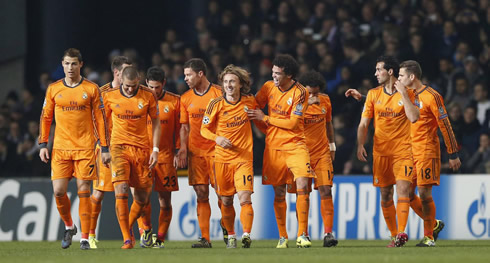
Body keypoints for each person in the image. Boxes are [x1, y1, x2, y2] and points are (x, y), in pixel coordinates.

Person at [38, 48, 110, 250]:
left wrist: (104, 147)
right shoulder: (53, 89)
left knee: (83, 190)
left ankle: (85, 238)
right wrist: (43, 143)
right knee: (59, 192)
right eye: (67, 63)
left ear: (81, 65)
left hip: (86, 148)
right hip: (61, 149)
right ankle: (70, 226)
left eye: (74, 64)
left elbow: (100, 120)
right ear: (62, 65)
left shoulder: (92, 89)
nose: (70, 67)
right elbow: (46, 117)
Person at [247, 54, 314, 248]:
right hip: (274, 148)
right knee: (279, 193)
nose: (274, 76)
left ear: (289, 75)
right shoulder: (268, 87)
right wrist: (267, 131)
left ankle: (302, 234)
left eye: (278, 73)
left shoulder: (301, 92)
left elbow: (293, 123)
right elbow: (254, 108)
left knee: (303, 185)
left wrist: (266, 120)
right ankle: (283, 237)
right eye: (273, 72)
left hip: (296, 145)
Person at [355, 55, 419, 247]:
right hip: (381, 152)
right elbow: (364, 123)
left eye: (378, 70)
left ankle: (401, 233)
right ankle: (394, 235)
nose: (375, 74)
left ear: (390, 72)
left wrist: (405, 96)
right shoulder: (373, 94)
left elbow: (414, 117)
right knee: (385, 194)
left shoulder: (407, 92)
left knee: (403, 190)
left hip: (403, 151)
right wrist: (360, 144)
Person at [397, 60, 461, 246]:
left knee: (424, 194)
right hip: (410, 152)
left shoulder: (432, 96)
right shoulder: (407, 94)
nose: (398, 79)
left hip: (426, 151)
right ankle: (434, 224)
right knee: (406, 193)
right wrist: (362, 97)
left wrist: (453, 153)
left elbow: (445, 124)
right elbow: (385, 103)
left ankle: (429, 237)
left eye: (401, 76)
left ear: (412, 76)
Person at [101, 66, 161, 249]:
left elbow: (156, 122)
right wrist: (104, 148)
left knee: (142, 198)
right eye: (127, 86)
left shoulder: (148, 95)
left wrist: (156, 149)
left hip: (142, 150)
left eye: (133, 85)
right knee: (122, 188)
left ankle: (127, 229)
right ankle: (127, 238)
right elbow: (103, 123)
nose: (129, 89)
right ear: (122, 82)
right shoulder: (110, 96)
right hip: (118, 148)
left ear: (139, 80)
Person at [201, 64, 257, 249]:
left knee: (245, 198)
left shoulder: (250, 102)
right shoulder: (215, 104)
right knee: (226, 200)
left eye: (232, 81)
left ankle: (246, 235)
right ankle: (231, 235)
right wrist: (217, 138)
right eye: (225, 82)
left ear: (240, 84)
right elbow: (204, 129)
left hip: (243, 159)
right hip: (222, 160)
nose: (228, 85)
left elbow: (261, 116)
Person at [175, 58, 223, 248]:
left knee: (223, 195)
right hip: (196, 153)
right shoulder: (185, 98)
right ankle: (205, 238)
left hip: (217, 152)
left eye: (188, 75)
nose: (185, 78)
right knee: (201, 193)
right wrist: (183, 148)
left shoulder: (219, 93)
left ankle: (229, 230)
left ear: (200, 74)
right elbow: (184, 127)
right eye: (185, 75)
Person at [88, 56, 131, 249]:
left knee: (133, 191)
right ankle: (89, 235)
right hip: (106, 150)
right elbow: (95, 122)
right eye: (125, 72)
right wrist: (103, 147)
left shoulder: (132, 91)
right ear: (116, 73)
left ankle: (140, 235)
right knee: (98, 193)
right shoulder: (102, 93)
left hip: (128, 149)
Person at [136, 66, 181, 248]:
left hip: (165, 158)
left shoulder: (174, 102)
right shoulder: (138, 99)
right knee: (142, 198)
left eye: (158, 87)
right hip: (143, 157)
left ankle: (160, 238)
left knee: (165, 201)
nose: (154, 91)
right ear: (146, 83)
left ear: (164, 84)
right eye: (151, 87)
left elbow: (180, 130)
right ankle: (146, 231)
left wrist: (179, 151)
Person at [297, 70, 338, 247]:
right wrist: (306, 103)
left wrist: (332, 145)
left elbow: (328, 123)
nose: (314, 96)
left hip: (322, 152)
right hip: (301, 152)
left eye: (315, 92)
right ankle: (303, 233)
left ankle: (328, 234)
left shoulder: (326, 100)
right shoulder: (294, 103)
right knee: (303, 193)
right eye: (309, 92)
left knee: (326, 191)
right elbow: (289, 123)